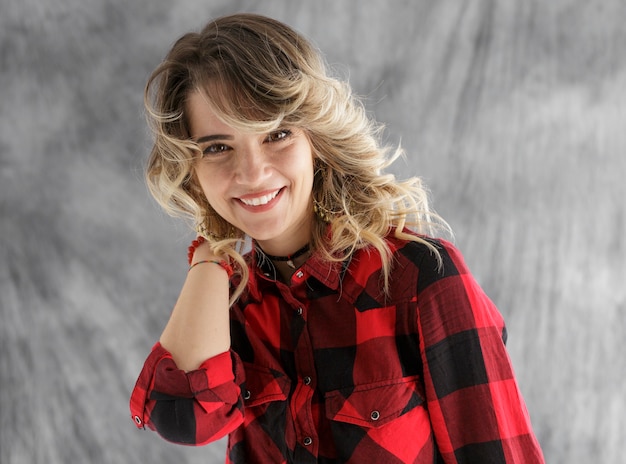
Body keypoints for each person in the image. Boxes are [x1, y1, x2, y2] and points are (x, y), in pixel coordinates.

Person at [129, 13, 545, 464]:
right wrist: (209, 255)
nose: (251, 173)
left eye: (277, 134)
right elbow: (184, 419)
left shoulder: (419, 277)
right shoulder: (226, 302)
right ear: (191, 169)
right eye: (216, 147)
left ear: (317, 141)